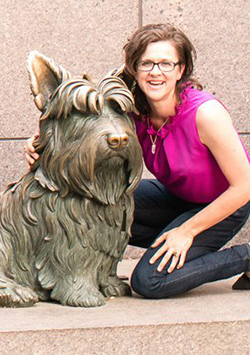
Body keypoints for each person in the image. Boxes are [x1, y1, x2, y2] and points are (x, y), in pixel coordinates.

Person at [25, 23, 250, 299]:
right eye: (147, 64)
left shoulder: (205, 113)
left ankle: (245, 257)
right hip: (176, 198)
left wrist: (186, 232)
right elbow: (81, 113)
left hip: (225, 203)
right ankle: (179, 250)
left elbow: (245, 187)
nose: (156, 72)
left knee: (149, 281)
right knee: (93, 204)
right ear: (135, 69)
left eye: (166, 63)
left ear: (180, 70)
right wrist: (39, 141)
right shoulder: (132, 108)